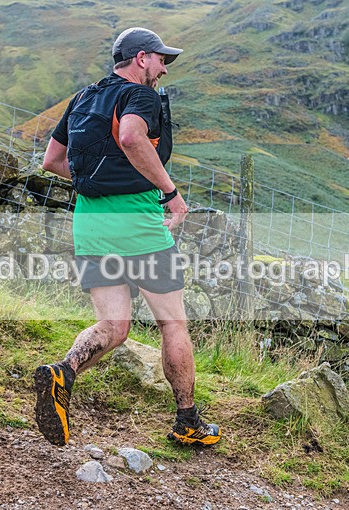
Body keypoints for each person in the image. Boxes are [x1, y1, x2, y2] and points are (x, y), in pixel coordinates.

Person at [35, 27, 220, 447]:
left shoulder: (83, 97)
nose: (163, 69)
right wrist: (170, 194)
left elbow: (52, 160)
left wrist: (99, 186)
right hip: (137, 224)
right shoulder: (141, 96)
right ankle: (188, 421)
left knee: (115, 326)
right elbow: (132, 136)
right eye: (161, 60)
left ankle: (62, 374)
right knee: (172, 322)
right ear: (141, 59)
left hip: (90, 223)